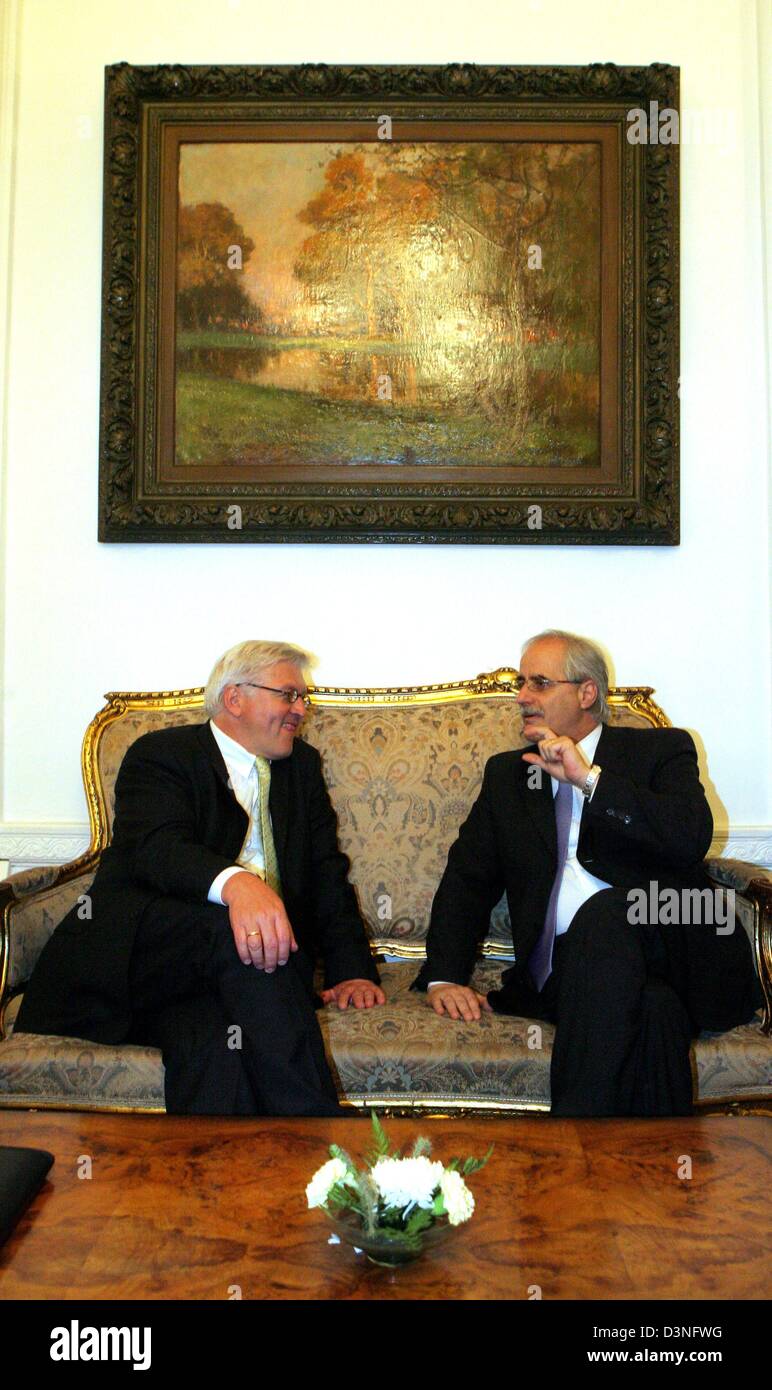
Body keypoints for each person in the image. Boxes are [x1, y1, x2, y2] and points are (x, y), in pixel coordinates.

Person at [16, 641, 385, 1115]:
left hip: (208, 985)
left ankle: (214, 1184)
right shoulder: (162, 754)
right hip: (140, 955)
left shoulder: (302, 767)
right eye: (289, 695)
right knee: (240, 931)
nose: (301, 709)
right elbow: (156, 849)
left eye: (302, 699)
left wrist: (351, 968)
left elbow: (325, 872)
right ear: (235, 698)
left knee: (212, 1044)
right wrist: (238, 885)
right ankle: (321, 1142)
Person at [414, 630, 761, 1116]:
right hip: (576, 976)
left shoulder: (660, 751)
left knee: (605, 913)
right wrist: (444, 977)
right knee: (656, 1012)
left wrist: (588, 780)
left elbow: (689, 838)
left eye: (538, 683)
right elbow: (467, 880)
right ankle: (657, 1176)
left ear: (586, 693)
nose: (521, 697)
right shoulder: (508, 776)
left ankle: (571, 1143)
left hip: (674, 938)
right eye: (521, 683)